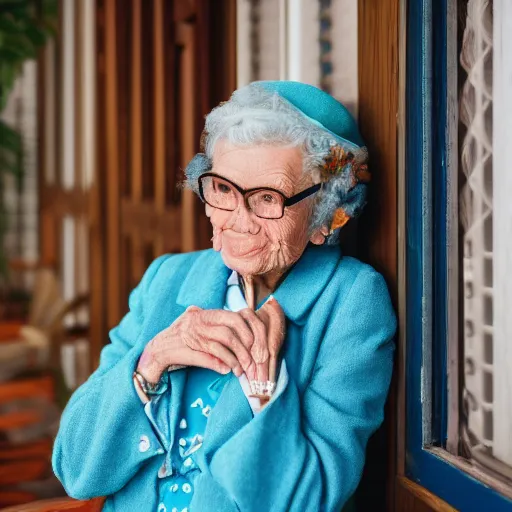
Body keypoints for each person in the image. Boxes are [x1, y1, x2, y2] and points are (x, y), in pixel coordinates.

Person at [52, 81, 396, 512]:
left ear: (326, 214)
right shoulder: (168, 279)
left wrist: (265, 391)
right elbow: (75, 468)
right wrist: (150, 364)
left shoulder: (350, 303)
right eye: (223, 189)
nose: (239, 220)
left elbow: (306, 502)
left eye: (268, 198)